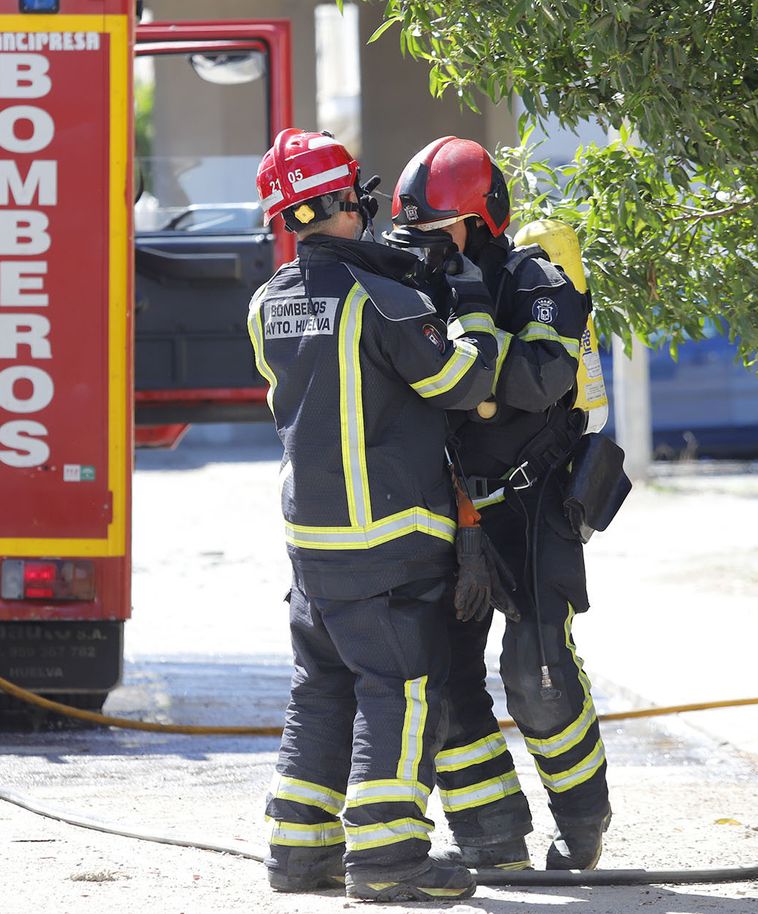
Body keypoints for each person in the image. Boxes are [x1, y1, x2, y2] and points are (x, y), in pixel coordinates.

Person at [247, 128, 500, 902]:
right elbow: (464, 380)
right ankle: (390, 863)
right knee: (400, 692)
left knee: (321, 689)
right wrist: (474, 304)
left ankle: (300, 857)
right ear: (340, 202)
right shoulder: (378, 299)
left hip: (312, 546)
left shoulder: (268, 304)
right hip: (386, 543)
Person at [388, 136, 613, 871]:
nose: (425, 244)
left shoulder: (534, 278)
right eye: (414, 231)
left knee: (536, 674)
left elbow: (539, 381)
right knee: (446, 682)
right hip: (452, 510)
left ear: (480, 219)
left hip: (532, 503)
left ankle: (582, 825)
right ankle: (492, 838)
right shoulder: (419, 285)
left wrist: (473, 316)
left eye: (438, 229)